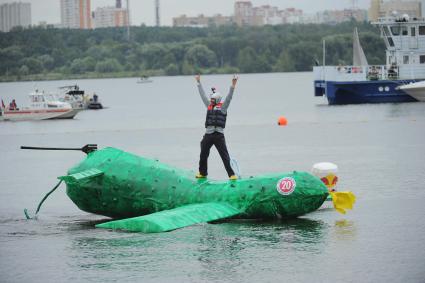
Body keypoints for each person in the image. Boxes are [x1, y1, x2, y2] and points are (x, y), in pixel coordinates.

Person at [195, 74, 238, 180]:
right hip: (208, 135)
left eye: (213, 100)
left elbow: (229, 97)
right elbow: (203, 95)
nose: (211, 101)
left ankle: (231, 174)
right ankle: (202, 173)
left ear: (218, 100)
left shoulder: (223, 107)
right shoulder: (209, 105)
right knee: (203, 154)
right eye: (211, 100)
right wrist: (198, 83)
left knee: (224, 155)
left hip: (219, 135)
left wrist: (233, 85)